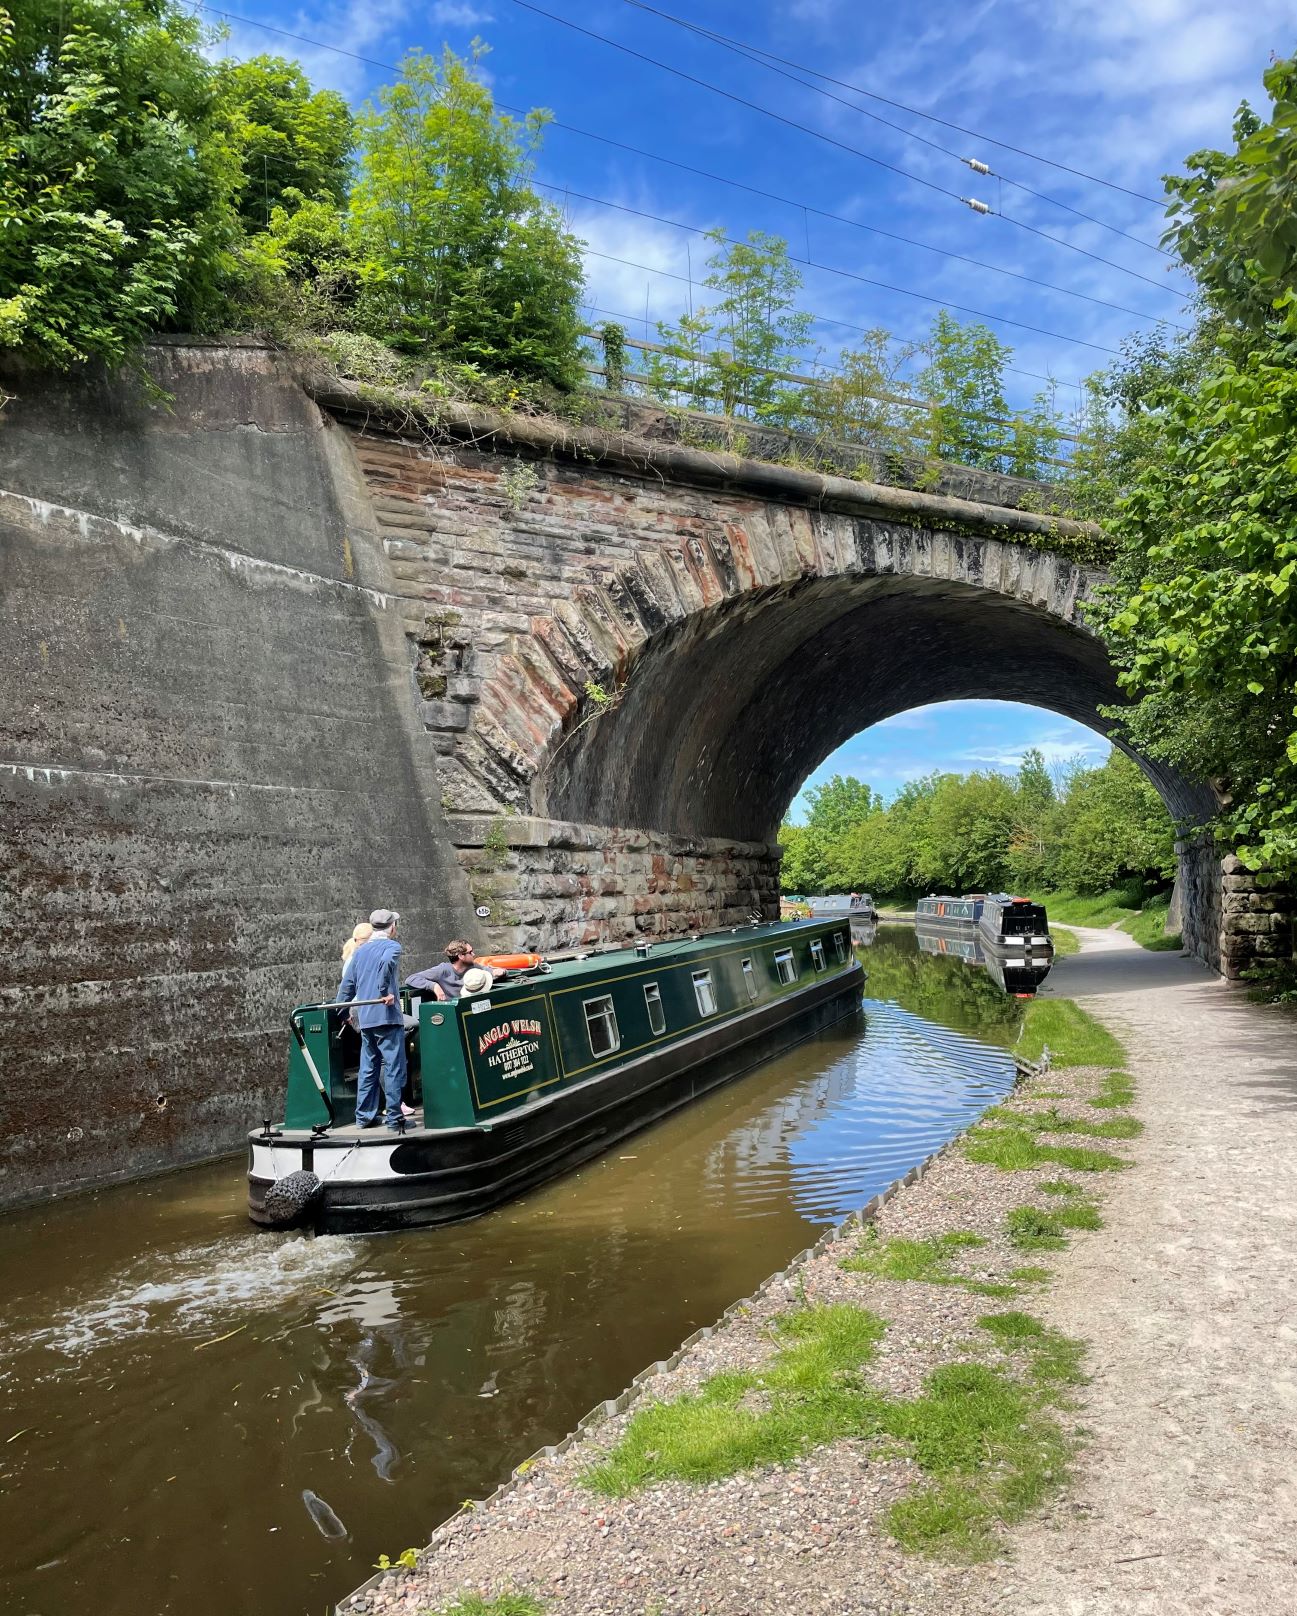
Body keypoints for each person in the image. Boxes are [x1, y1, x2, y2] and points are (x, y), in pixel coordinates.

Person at [336, 908, 408, 1130]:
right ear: (392, 927)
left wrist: (342, 1011)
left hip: (366, 1017)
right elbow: (387, 962)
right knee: (394, 1066)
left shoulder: (360, 951)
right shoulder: (392, 946)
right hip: (386, 1015)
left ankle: (364, 1118)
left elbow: (347, 985)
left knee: (369, 1067)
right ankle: (395, 1119)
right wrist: (384, 990)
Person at [406, 938, 498, 1001]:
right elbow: (411, 979)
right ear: (461, 956)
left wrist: (497, 972)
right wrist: (434, 986)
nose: (473, 954)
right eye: (470, 952)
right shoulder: (443, 970)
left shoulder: (474, 967)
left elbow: (488, 970)